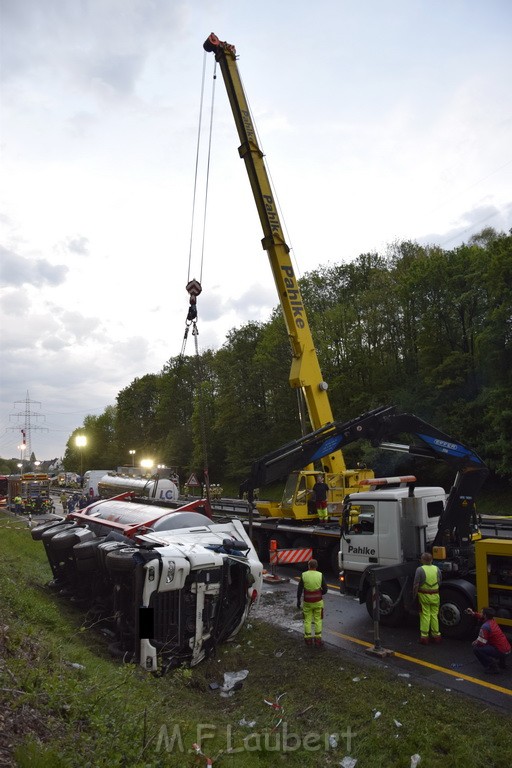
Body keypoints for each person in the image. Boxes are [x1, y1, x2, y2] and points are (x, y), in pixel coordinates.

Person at [466, 606, 511, 674]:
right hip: (507, 650)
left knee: (476, 649)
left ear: (485, 615)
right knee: (496, 642)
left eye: (481, 613)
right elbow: (481, 617)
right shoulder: (492, 621)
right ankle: (502, 664)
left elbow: (481, 643)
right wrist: (473, 613)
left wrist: (476, 641)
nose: (480, 614)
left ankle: (492, 667)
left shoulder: (485, 627)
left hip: (501, 651)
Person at [412, 552, 442, 645]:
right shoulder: (437, 569)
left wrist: (414, 595)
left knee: (425, 615)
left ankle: (424, 637)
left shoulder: (420, 569)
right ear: (431, 560)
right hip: (435, 595)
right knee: (434, 615)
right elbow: (440, 581)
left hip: (424, 595)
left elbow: (416, 584)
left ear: (422, 560)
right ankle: (436, 635)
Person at [297, 559, 328, 647]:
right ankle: (318, 640)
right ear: (316, 566)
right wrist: (318, 593)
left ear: (308, 566)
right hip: (318, 602)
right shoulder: (320, 575)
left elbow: (299, 589)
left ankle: (308, 640)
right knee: (318, 620)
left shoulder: (304, 575)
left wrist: (298, 600)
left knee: (307, 620)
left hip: (307, 602)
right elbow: (325, 589)